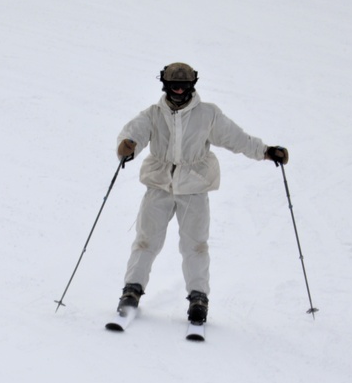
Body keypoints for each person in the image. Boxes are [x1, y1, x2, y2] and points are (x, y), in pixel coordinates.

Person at [114, 62, 289, 325]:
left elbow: (236, 138)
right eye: (174, 85)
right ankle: (131, 291)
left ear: (192, 85)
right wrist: (127, 147)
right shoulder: (153, 114)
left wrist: (265, 151)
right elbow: (133, 132)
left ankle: (198, 298)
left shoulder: (208, 115)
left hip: (194, 188)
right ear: (164, 84)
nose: (179, 90)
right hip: (159, 186)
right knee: (146, 241)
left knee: (195, 245)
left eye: (184, 85)